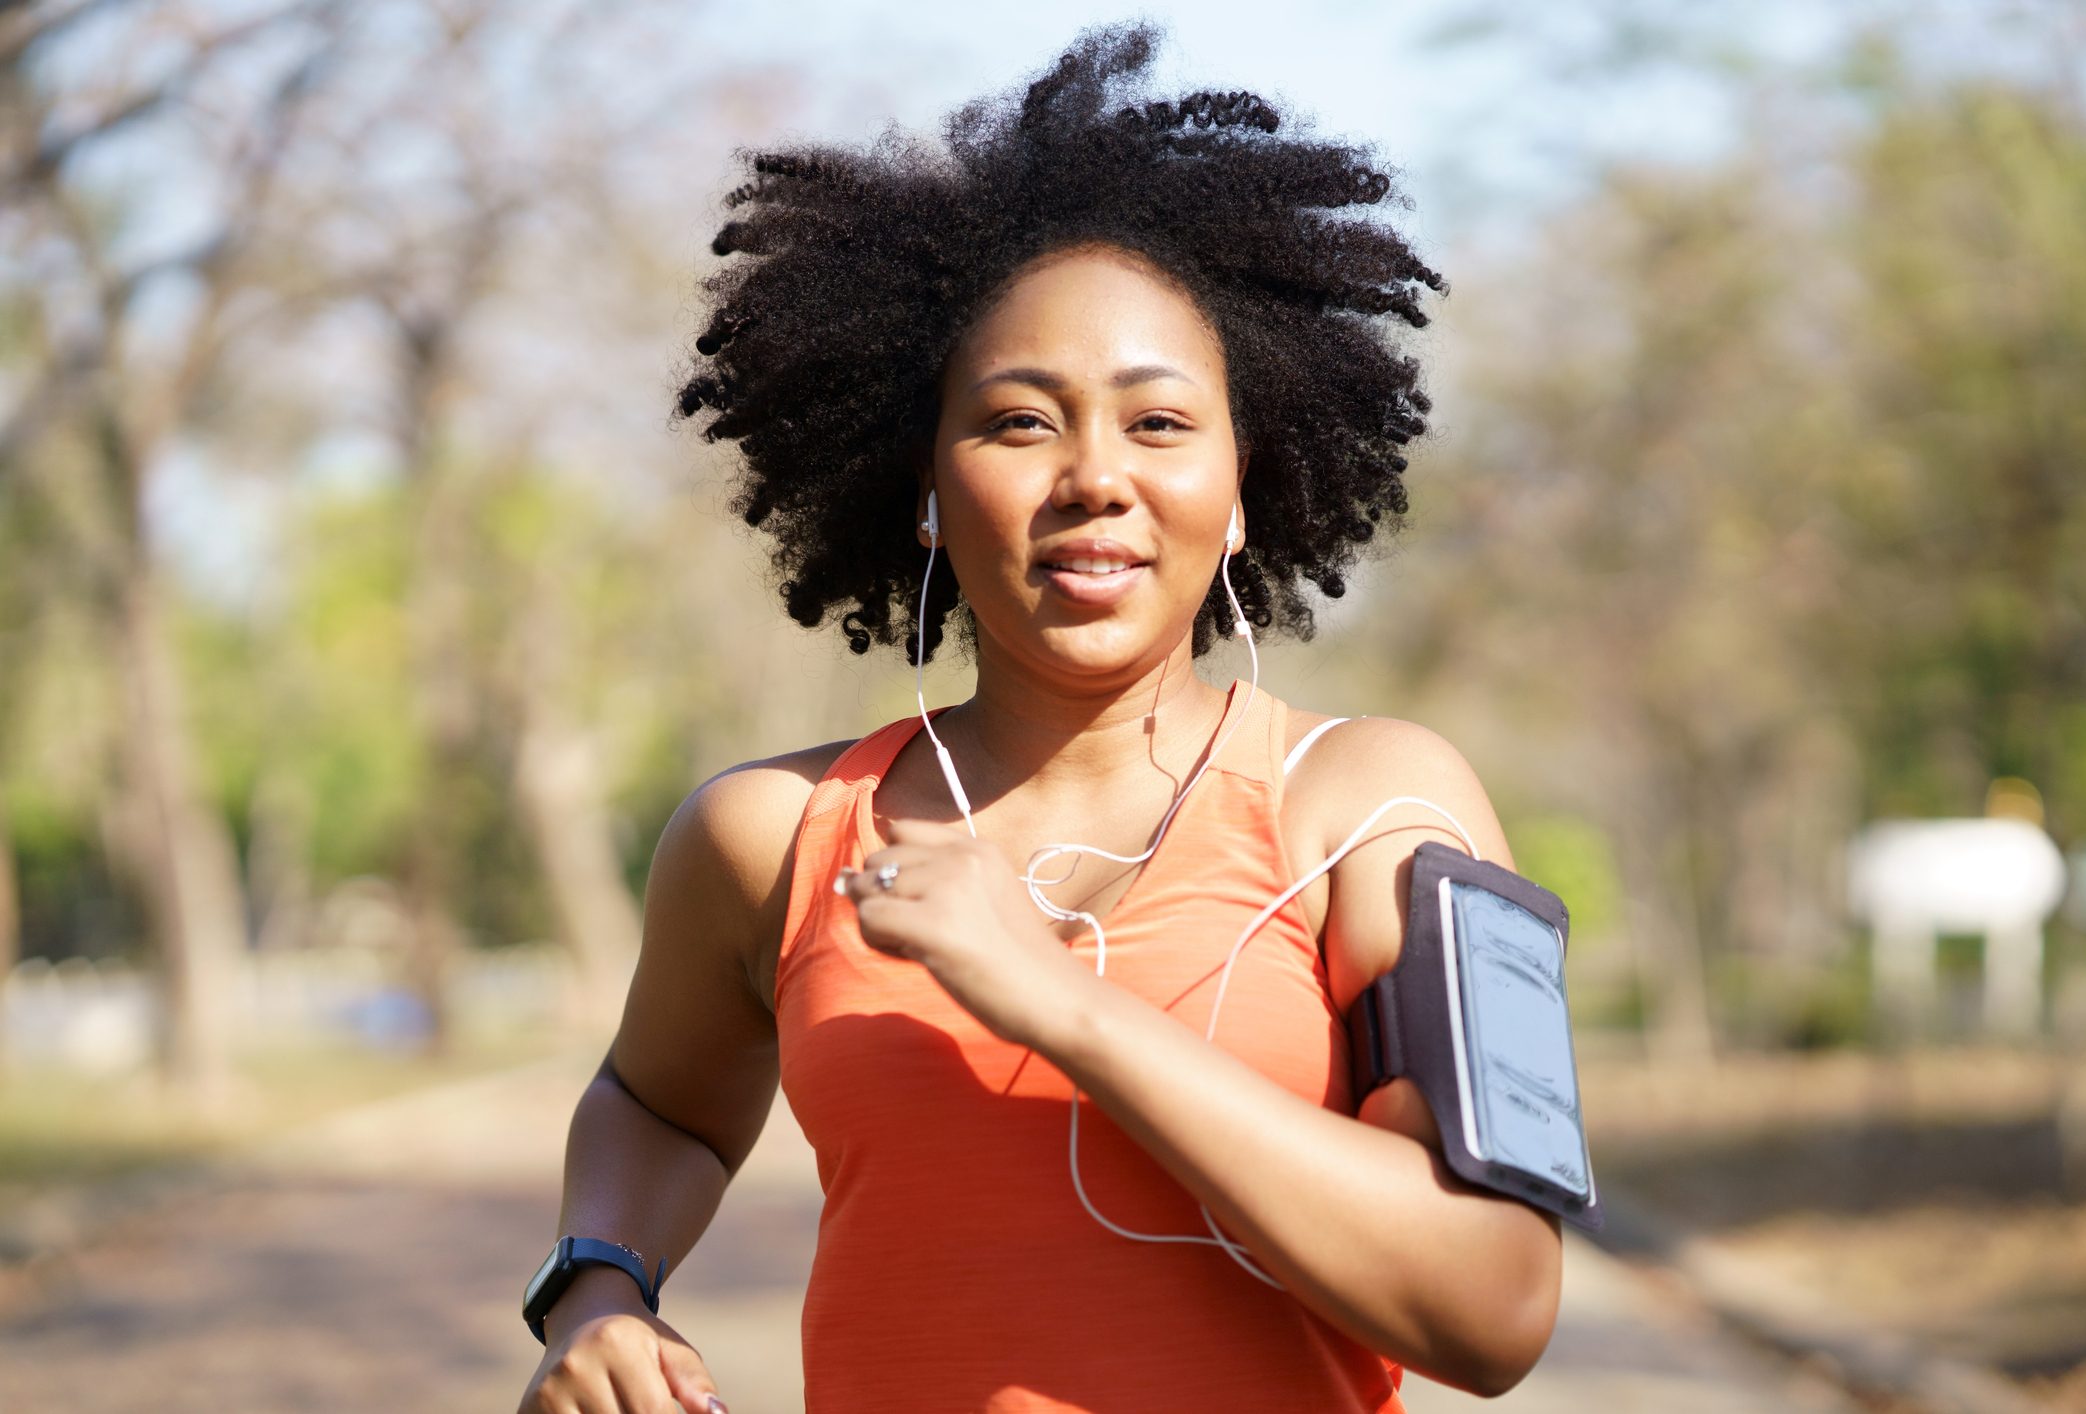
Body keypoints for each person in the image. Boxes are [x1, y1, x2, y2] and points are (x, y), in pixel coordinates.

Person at [518, 22, 1562, 1414]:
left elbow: (1495, 1304)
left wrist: (1065, 1007)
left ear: (1244, 484)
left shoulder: (1371, 807)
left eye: (1160, 423)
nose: (1094, 480)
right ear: (929, 491)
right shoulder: (772, 836)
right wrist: (597, 1282)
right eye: (1020, 423)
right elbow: (657, 1104)